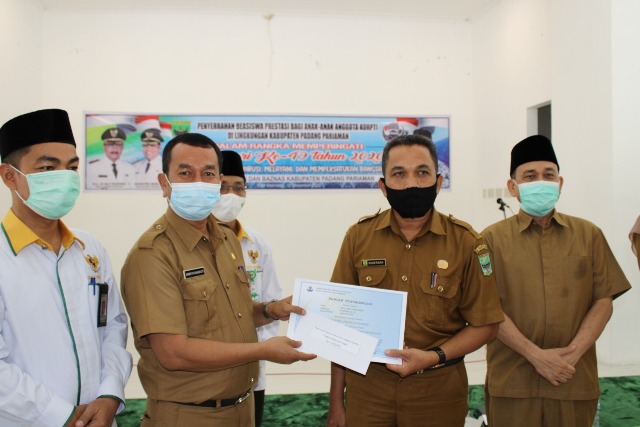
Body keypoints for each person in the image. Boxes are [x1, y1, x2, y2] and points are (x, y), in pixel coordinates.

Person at [120, 132, 315, 426]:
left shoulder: (226, 239)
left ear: (218, 182)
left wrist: (270, 310)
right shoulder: (153, 254)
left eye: (208, 173)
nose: (198, 182)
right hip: (189, 414)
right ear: (164, 183)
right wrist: (262, 350)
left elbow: (232, 315)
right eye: (186, 173)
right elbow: (173, 353)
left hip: (241, 408)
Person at [326, 134, 504, 427]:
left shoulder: (467, 242)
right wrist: (336, 403)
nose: (411, 184)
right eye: (399, 174)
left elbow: (487, 324)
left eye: (422, 173)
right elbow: (340, 325)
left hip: (437, 391)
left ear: (438, 182)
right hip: (368, 390)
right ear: (383, 186)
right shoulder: (358, 237)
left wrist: (433, 356)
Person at [482, 135, 632, 426]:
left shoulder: (588, 235)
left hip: (571, 379)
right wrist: (536, 356)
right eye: (530, 176)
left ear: (560, 183)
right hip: (513, 382)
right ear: (513, 187)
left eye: (548, 175)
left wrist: (570, 357)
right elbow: (486, 307)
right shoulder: (490, 239)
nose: (541, 181)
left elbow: (604, 300)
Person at [0, 109, 132, 426]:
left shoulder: (90, 249)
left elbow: (113, 326)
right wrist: (62, 415)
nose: (65, 177)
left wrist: (110, 394)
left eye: (72, 167)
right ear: (9, 176)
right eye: (48, 167)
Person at [212, 150, 283, 427]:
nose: (231, 195)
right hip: (206, 373)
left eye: (238, 187)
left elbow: (271, 303)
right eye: (223, 187)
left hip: (253, 373)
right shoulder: (190, 244)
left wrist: (258, 351)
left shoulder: (257, 244)